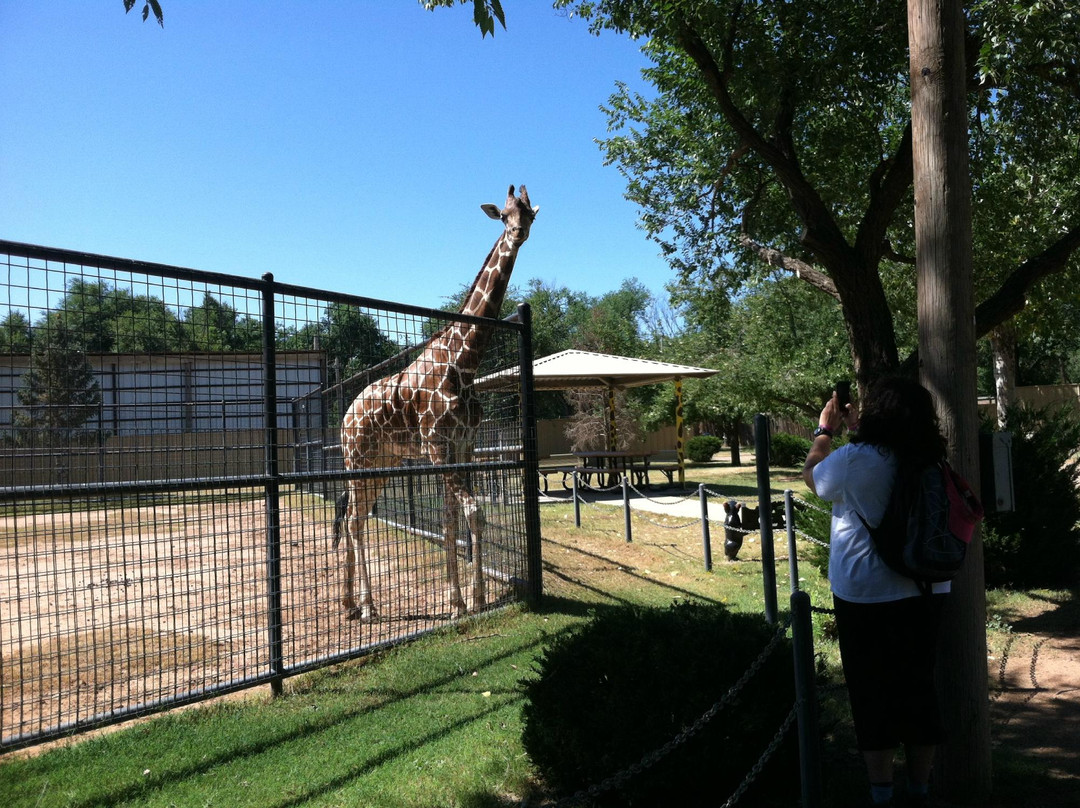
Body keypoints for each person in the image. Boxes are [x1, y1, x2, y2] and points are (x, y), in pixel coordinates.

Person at [801, 377, 950, 807]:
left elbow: (814, 477)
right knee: (918, 689)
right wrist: (857, 433)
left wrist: (824, 433)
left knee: (872, 693)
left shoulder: (854, 458)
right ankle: (919, 790)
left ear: (877, 414)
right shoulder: (931, 459)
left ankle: (882, 794)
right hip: (927, 587)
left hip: (866, 594)